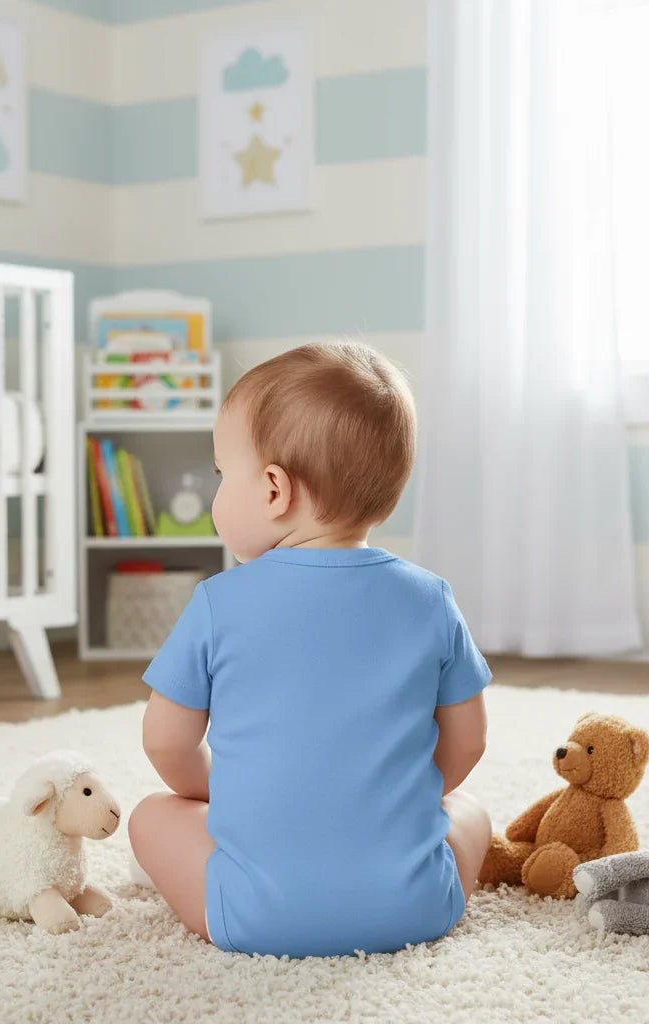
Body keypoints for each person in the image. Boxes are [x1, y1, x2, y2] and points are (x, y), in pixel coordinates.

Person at [128, 341, 491, 957]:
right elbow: (468, 741)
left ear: (273, 489)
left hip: (252, 916)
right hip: (416, 908)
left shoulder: (218, 603)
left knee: (153, 814)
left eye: (221, 475)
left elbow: (166, 742)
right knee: (470, 809)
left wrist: (218, 795)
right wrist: (396, 797)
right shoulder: (431, 598)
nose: (218, 490)